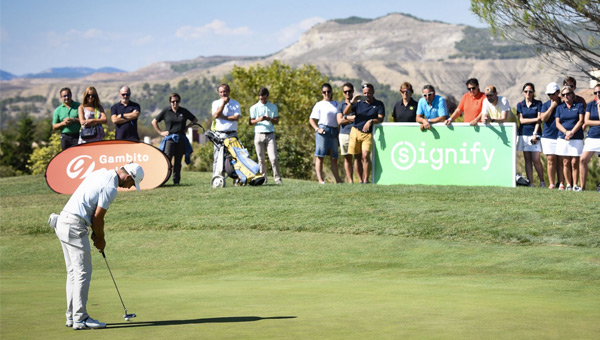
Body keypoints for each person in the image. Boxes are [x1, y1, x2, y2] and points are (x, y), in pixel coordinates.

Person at [49, 162, 144, 330]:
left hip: (63, 221)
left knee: (73, 273)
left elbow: (92, 212)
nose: (129, 188)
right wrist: (101, 238)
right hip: (74, 225)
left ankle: (71, 316)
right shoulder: (111, 188)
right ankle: (80, 318)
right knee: (82, 273)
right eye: (131, 184)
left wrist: (95, 232)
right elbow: (98, 218)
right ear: (128, 177)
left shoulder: (100, 173)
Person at [343, 83, 385, 183]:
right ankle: (360, 180)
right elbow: (346, 112)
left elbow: (380, 118)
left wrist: (371, 121)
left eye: (369, 93)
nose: (367, 95)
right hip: (355, 132)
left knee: (365, 155)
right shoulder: (358, 103)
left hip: (368, 134)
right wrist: (352, 102)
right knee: (357, 157)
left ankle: (366, 180)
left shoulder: (379, 104)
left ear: (373, 92)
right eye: (365, 93)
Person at [152, 93, 198, 185]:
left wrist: (187, 127)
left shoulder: (183, 111)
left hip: (181, 138)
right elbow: (154, 122)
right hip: (169, 140)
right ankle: (162, 180)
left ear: (179, 102)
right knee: (167, 160)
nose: (175, 103)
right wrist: (161, 132)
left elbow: (195, 120)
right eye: (173, 101)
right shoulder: (166, 111)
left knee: (178, 161)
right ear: (170, 102)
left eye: (177, 101)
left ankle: (176, 181)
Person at [309, 83, 342, 184]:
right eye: (324, 92)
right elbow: (311, 119)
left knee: (334, 157)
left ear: (331, 92)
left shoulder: (336, 104)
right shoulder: (319, 104)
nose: (326, 93)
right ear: (322, 93)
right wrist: (317, 129)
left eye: (328, 91)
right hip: (323, 130)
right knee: (320, 156)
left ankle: (338, 180)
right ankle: (320, 180)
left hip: (334, 131)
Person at [249, 87, 282, 185]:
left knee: (273, 158)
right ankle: (263, 179)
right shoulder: (254, 108)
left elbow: (277, 121)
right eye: (260, 98)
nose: (262, 100)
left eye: (264, 98)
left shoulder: (273, 107)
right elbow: (251, 122)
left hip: (270, 134)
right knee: (261, 159)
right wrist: (259, 119)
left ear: (267, 97)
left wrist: (269, 119)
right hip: (258, 134)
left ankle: (277, 178)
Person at [555, 85, 585, 191]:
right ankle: (568, 184)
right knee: (566, 162)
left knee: (574, 162)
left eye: (568, 94)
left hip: (576, 137)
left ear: (572, 94)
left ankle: (575, 184)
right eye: (564, 95)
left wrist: (572, 132)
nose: (566, 96)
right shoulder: (559, 108)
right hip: (563, 137)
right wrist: (566, 132)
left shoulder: (579, 106)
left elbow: (581, 120)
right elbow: (557, 123)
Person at [516, 82, 545, 187]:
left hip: (534, 134)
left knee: (536, 159)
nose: (528, 93)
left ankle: (542, 182)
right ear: (523, 92)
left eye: (530, 91)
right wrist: (535, 119)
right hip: (523, 134)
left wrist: (535, 133)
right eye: (526, 91)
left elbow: (539, 121)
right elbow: (522, 121)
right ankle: (530, 183)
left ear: (533, 92)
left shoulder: (538, 104)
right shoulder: (520, 105)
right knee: (527, 160)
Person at [211, 84, 241, 174]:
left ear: (229, 91)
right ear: (218, 93)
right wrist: (223, 104)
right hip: (220, 134)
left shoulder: (235, 103)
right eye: (221, 92)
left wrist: (223, 117)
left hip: (232, 134)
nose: (223, 93)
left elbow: (237, 117)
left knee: (235, 156)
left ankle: (237, 178)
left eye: (224, 91)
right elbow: (216, 115)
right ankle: (217, 178)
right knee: (217, 157)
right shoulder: (216, 103)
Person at [540, 82, 563, 189]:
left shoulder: (563, 104)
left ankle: (561, 183)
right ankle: (552, 183)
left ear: (558, 93)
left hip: (560, 136)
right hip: (548, 136)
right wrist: (552, 107)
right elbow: (543, 119)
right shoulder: (545, 105)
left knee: (561, 161)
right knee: (550, 160)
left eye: (552, 94)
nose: (550, 96)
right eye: (549, 94)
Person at [579, 84, 600, 191]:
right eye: (595, 93)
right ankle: (582, 187)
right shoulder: (591, 105)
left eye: (599, 92)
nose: (598, 94)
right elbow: (586, 121)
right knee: (583, 160)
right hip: (592, 136)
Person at [336, 82, 356, 183]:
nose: (347, 93)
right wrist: (351, 118)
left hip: (356, 133)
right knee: (347, 158)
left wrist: (345, 118)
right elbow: (339, 121)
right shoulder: (340, 106)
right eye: (345, 92)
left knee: (358, 157)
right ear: (343, 93)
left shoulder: (358, 104)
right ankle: (350, 180)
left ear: (353, 91)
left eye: (349, 91)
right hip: (344, 133)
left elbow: (360, 118)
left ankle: (361, 180)